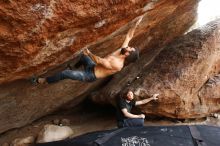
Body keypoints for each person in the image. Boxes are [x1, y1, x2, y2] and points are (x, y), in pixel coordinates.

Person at [32, 16, 143, 84]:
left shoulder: (117, 65)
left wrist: (89, 53)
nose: (128, 46)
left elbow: (100, 61)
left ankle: (44, 81)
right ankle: (74, 66)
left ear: (127, 54)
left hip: (90, 75)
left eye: (130, 48)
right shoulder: (122, 50)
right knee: (83, 57)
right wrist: (137, 23)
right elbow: (129, 36)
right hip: (92, 66)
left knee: (65, 73)